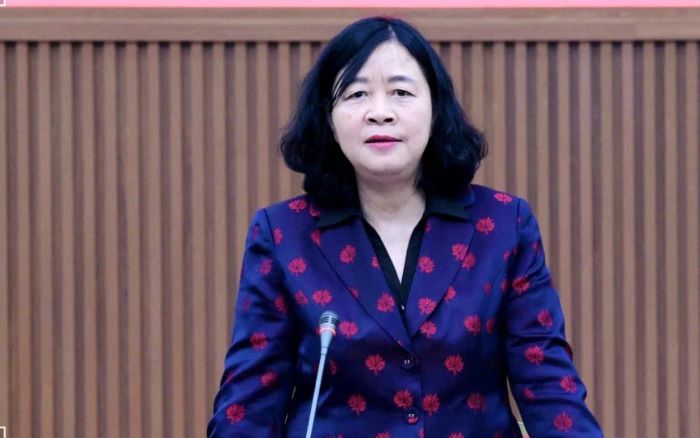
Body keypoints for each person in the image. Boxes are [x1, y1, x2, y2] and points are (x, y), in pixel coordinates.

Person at [208, 16, 603, 438]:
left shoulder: (504, 225)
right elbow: (249, 404)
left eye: (401, 92)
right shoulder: (284, 234)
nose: (380, 113)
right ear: (329, 118)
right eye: (356, 94)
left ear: (435, 109)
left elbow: (548, 384)